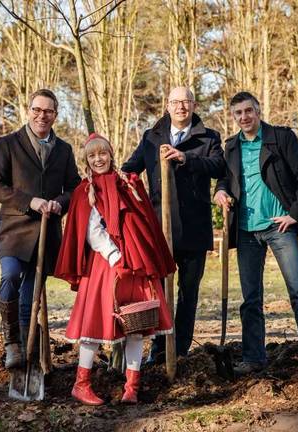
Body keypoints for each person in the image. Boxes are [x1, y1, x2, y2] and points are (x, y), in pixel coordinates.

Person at [55, 133, 176, 405]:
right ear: (86, 160)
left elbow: (143, 223)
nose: (99, 159)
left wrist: (145, 257)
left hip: (136, 264)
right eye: (92, 156)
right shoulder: (85, 190)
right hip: (106, 266)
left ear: (111, 154)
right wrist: (114, 256)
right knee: (96, 323)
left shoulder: (127, 184)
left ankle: (132, 386)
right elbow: (92, 231)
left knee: (137, 323)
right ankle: (81, 384)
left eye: (103, 154)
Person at [214, 91, 298, 374]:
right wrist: (220, 192)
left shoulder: (280, 138)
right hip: (246, 232)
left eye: (248, 111)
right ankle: (253, 359)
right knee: (251, 298)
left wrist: (294, 214)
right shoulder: (231, 147)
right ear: (233, 116)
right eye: (238, 113)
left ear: (258, 110)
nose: (244, 117)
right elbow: (224, 180)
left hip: (279, 226)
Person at [121, 86, 226, 364]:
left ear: (193, 105)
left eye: (187, 101)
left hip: (194, 228)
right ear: (167, 106)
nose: (181, 106)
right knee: (160, 295)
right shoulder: (151, 137)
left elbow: (219, 167)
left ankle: (179, 351)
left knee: (188, 293)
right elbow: (130, 169)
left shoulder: (209, 137)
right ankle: (158, 352)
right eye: (176, 102)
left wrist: (185, 158)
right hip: (160, 230)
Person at [0, 89, 81, 369]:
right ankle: (11, 342)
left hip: (46, 234)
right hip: (14, 230)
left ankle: (26, 358)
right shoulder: (8, 144)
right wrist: (31, 201)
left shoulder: (63, 150)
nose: (42, 116)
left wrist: (58, 204)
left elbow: (74, 188)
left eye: (48, 111)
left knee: (30, 296)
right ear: (29, 111)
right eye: (37, 110)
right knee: (11, 276)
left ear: (55, 115)